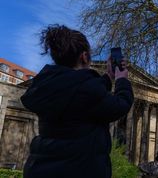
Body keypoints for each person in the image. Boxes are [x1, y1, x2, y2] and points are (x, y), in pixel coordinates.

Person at [21, 25, 134, 178]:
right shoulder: (86, 91)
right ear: (84, 56)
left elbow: (81, 90)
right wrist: (121, 80)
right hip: (79, 169)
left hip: (40, 169)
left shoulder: (45, 86)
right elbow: (121, 105)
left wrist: (108, 76)